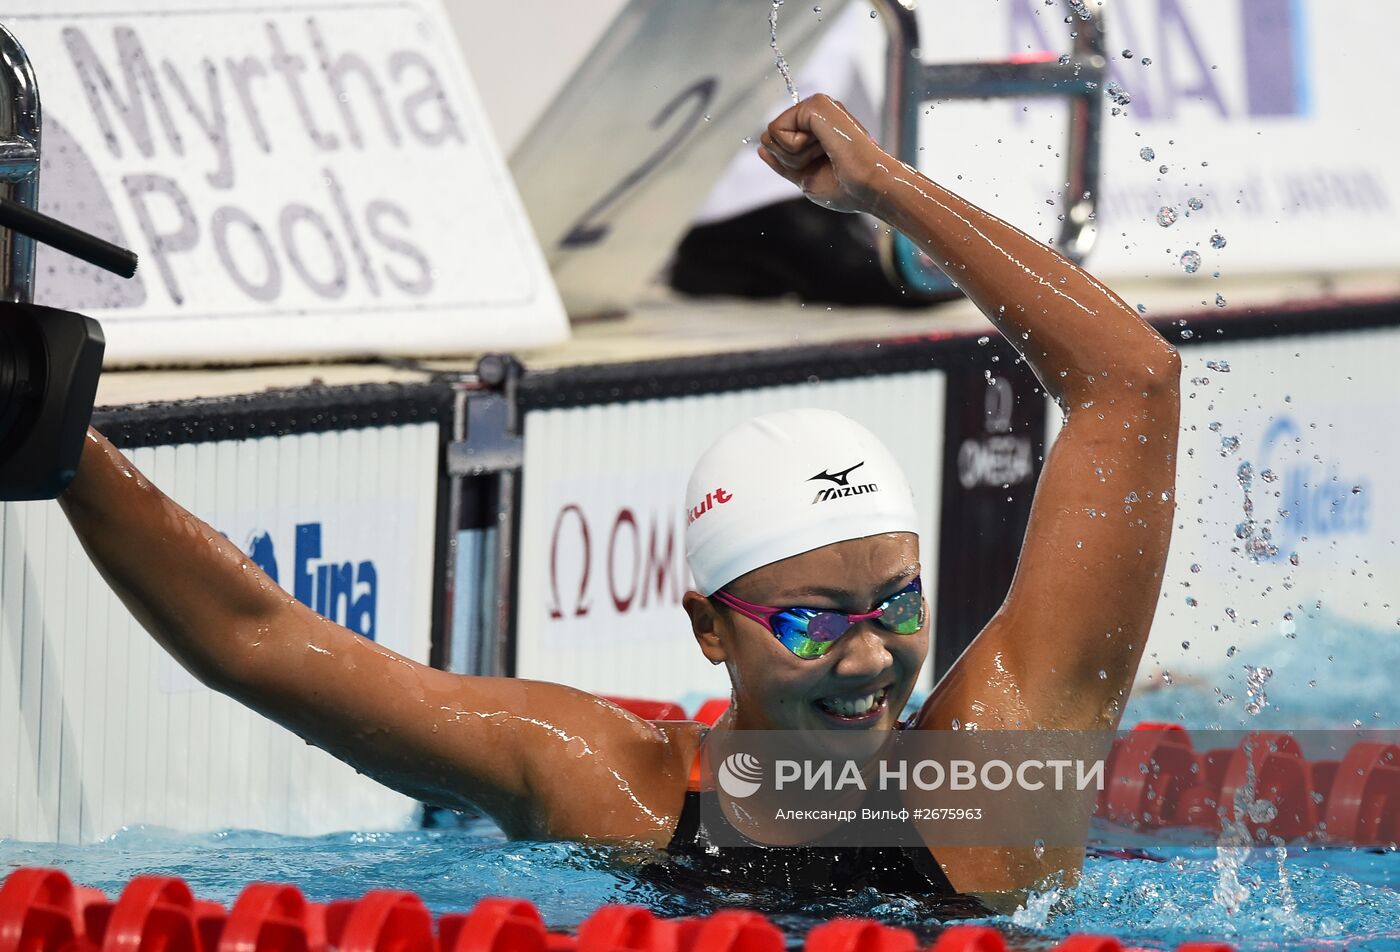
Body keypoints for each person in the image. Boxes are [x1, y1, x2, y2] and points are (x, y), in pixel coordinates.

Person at [58, 95, 1180, 906]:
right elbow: (257, 639)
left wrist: (883, 189)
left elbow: (1132, 381)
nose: (868, 660)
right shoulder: (606, 787)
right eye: (808, 620)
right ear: (705, 627)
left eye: (895, 606)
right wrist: (53, 418)